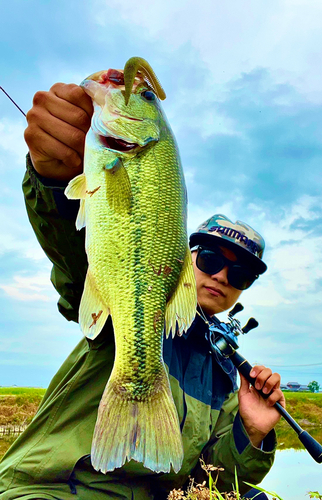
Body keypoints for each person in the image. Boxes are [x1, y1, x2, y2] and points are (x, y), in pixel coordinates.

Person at [0, 83, 285, 500]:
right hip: (56, 492)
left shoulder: (225, 373)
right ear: (184, 257)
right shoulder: (123, 313)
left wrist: (251, 430)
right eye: (209, 258)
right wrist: (54, 177)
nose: (222, 276)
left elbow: (212, 481)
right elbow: (74, 253)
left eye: (240, 273)